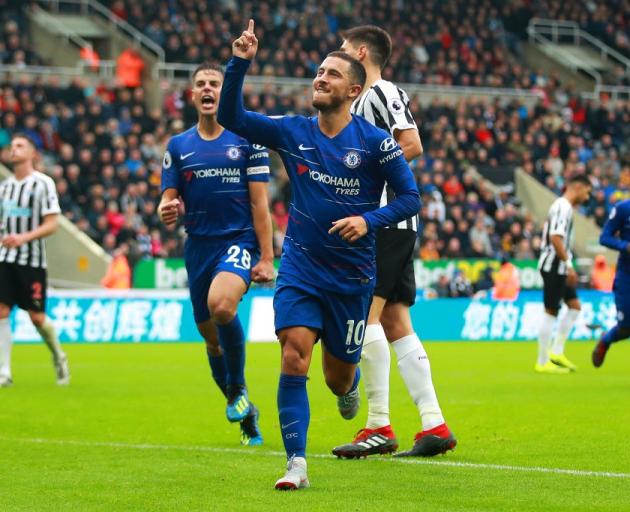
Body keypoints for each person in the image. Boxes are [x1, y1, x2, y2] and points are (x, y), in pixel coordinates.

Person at [218, 20, 420, 490]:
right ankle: (296, 464)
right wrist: (239, 63)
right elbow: (233, 116)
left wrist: (368, 221)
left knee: (336, 378)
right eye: (318, 72)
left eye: (331, 74)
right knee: (293, 356)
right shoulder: (293, 132)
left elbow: (410, 199)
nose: (319, 78)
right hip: (302, 269)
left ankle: (348, 389)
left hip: (351, 278)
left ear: (352, 89)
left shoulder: (376, 144)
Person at [332, 25, 456, 459]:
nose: (340, 54)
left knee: (365, 319)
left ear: (361, 52)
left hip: (384, 222)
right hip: (391, 222)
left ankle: (378, 425)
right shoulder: (360, 100)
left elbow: (411, 143)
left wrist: (364, 173)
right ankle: (433, 424)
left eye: (345, 49)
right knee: (395, 322)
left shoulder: (381, 92)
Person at [159, 62, 274, 446]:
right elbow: (168, 201)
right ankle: (243, 409)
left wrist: (266, 257)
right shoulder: (178, 146)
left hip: (238, 241)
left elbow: (261, 204)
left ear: (224, 93)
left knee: (222, 307)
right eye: (201, 84)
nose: (207, 88)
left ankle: (238, 386)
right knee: (212, 340)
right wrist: (166, 210)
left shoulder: (247, 141)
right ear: (193, 95)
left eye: (214, 83)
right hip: (198, 248)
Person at [0, 134, 70, 387]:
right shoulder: (5, 187)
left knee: (37, 318)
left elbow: (51, 224)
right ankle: (4, 372)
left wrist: (23, 238)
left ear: (32, 154)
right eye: (12, 147)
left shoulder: (43, 184)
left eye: (20, 146)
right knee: (1, 311)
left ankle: (58, 356)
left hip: (32, 261)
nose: (14, 150)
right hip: (5, 259)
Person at [536, 175, 592, 374]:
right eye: (587, 191)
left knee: (574, 307)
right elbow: (555, 238)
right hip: (554, 265)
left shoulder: (564, 206)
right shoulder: (563, 206)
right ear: (577, 187)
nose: (587, 197)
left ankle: (557, 352)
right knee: (551, 310)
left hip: (558, 265)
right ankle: (542, 362)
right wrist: (568, 264)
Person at [592, 198, 630, 367]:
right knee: (626, 328)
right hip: (626, 275)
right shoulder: (623, 209)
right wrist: (625, 246)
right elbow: (604, 237)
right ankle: (605, 340)